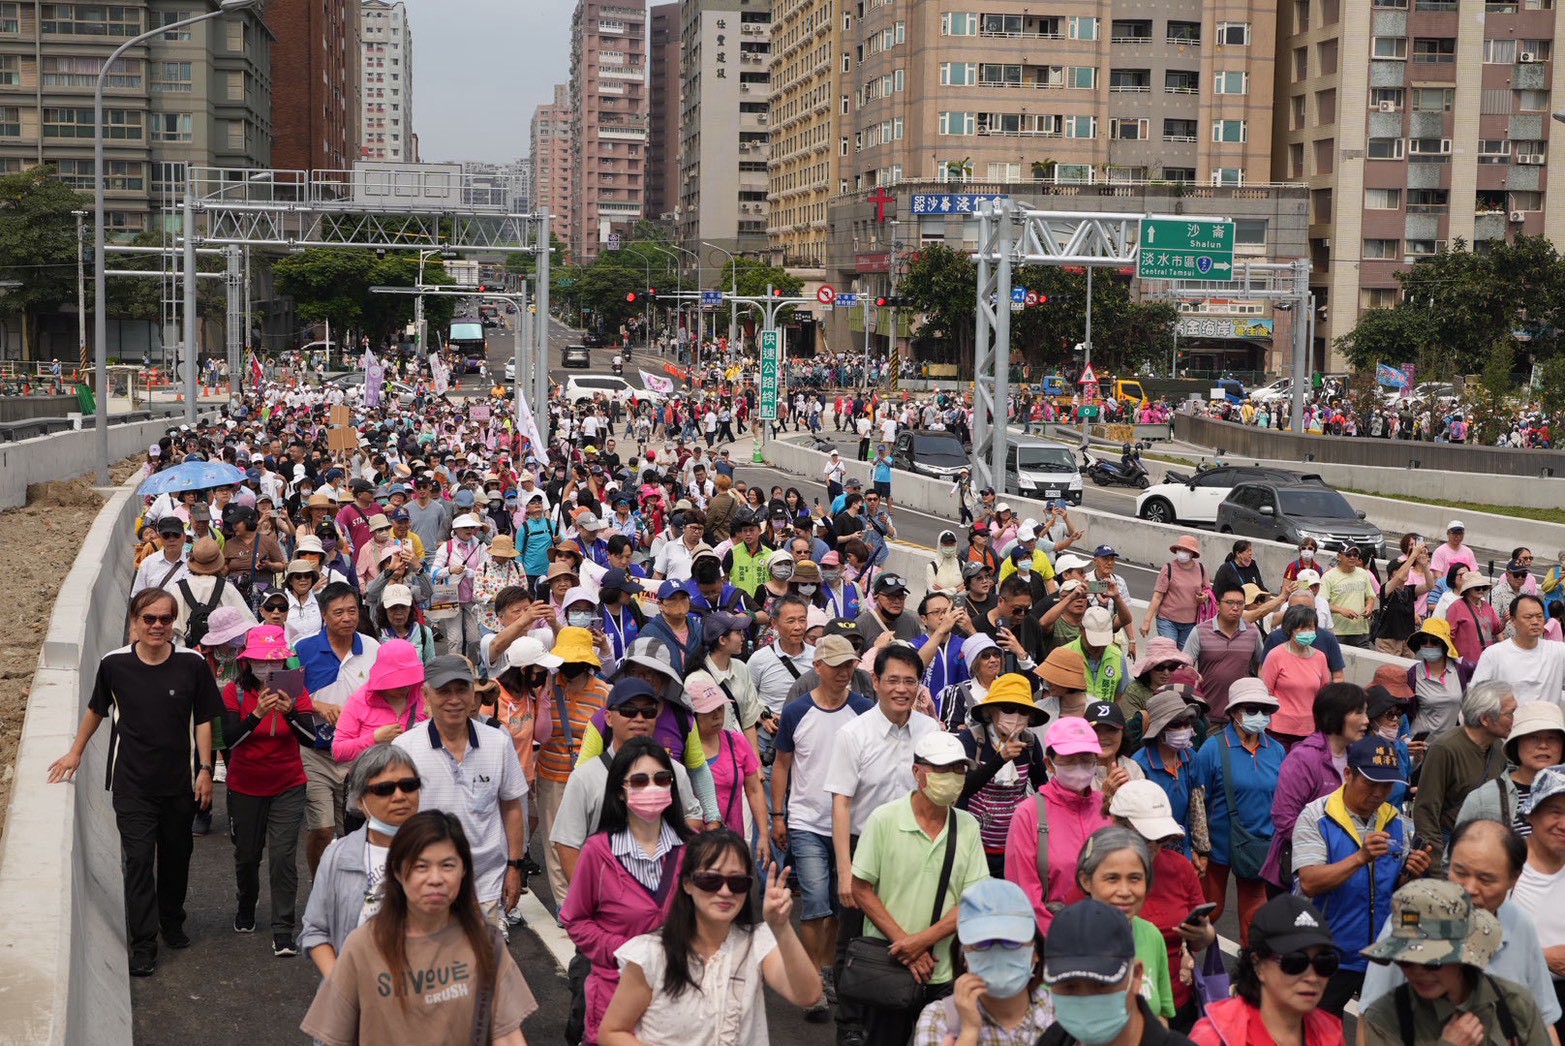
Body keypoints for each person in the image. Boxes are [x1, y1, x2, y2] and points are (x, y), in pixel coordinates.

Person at [46, 587, 224, 976]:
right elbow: (97, 709)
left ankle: (172, 920)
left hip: (180, 783)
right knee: (140, 862)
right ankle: (143, 944)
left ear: (173, 622)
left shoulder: (192, 664)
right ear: (134, 621)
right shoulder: (115, 665)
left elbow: (205, 720)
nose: (157, 626)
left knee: (177, 858)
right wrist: (75, 752)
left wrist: (206, 770)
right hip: (132, 784)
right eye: (149, 619)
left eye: (164, 619)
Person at [299, 811, 538, 1045]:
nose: (435, 878)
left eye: (447, 865)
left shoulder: (485, 943)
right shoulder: (363, 947)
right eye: (421, 867)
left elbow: (505, 1033)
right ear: (398, 872)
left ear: (464, 872)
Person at [598, 830, 822, 1046]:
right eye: (710, 880)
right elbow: (612, 1032)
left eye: (737, 883)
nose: (725, 892)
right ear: (687, 883)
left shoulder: (756, 942)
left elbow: (809, 995)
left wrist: (781, 927)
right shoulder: (651, 953)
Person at [849, 731, 991, 1045]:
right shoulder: (884, 820)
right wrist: (906, 944)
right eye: (942, 768)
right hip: (887, 963)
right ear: (918, 772)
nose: (952, 777)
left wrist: (922, 941)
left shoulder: (967, 826)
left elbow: (974, 900)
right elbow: (860, 888)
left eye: (959, 770)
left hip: (943, 970)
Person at [1360, 818, 1564, 1035]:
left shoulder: (1519, 925)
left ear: (1514, 879)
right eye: (1460, 872)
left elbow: (1543, 1017)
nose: (1469, 888)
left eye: (1486, 879)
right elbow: (1370, 1019)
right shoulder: (1408, 921)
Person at [560, 737, 694, 1045]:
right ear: (621, 792)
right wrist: (624, 950)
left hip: (677, 999)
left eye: (662, 779)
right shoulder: (598, 852)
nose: (652, 788)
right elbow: (575, 920)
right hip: (614, 997)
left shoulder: (692, 849)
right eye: (639, 780)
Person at [1292, 735, 1433, 1011]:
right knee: (1316, 1034)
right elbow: (1309, 882)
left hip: (1381, 955)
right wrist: (1360, 858)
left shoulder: (1396, 821)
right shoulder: (1316, 817)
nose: (1379, 794)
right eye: (1371, 783)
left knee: (1379, 1034)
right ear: (1348, 774)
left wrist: (1412, 874)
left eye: (1387, 785)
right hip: (1327, 956)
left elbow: (1395, 888)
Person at [392, 655, 527, 928]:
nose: (454, 699)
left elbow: (511, 807)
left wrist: (514, 866)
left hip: (486, 881)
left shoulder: (497, 742)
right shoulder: (404, 748)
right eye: (444, 691)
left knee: (483, 963)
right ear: (426, 695)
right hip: (427, 882)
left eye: (462, 689)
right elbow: (394, 819)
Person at [221, 624, 318, 956]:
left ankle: (283, 927)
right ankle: (246, 902)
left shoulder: (297, 692)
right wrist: (257, 715)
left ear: (284, 663)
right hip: (245, 785)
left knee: (282, 858)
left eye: (274, 662)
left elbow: (311, 739)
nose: (267, 669)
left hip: (288, 784)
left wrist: (289, 713)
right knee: (247, 856)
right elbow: (229, 740)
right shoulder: (234, 693)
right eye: (260, 662)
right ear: (248, 663)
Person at [1358, 879, 1550, 1046]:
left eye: (1432, 963)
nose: (1417, 972)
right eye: (1405, 962)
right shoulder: (1386, 1018)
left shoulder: (1515, 1005)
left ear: (1462, 953)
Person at [301, 743, 423, 976]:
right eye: (384, 789)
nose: (399, 796)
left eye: (409, 785)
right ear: (360, 800)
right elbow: (315, 929)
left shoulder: (441, 850)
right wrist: (339, 982)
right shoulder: (338, 856)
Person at [1189, 677, 1286, 946]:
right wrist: (1197, 847)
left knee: (1254, 918)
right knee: (1209, 912)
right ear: (1233, 712)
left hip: (1258, 848)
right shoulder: (1212, 748)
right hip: (1218, 850)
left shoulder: (1276, 750)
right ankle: (1184, 966)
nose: (1259, 716)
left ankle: (1247, 978)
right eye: (1251, 709)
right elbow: (1196, 800)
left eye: (1264, 710)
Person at [295, 582, 381, 874]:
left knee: (355, 833)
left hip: (359, 755)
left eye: (352, 611)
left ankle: (352, 891)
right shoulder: (304, 648)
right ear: (324, 615)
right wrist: (318, 706)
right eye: (338, 612)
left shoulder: (372, 648)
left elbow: (383, 695)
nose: (347, 618)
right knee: (321, 829)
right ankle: (321, 886)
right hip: (315, 753)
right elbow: (288, 694)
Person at [910, 878, 1057, 1045]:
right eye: (982, 943)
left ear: (1036, 951)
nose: (998, 953)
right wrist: (969, 1031)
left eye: (1011, 941)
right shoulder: (940, 1018)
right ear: (963, 955)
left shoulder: (1060, 1011)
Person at [1189, 893, 1346, 1046]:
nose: (1312, 977)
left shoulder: (1330, 1033)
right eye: (1295, 962)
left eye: (1324, 962)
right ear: (1257, 963)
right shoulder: (1215, 1038)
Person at [1038, 898, 1198, 1046]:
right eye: (1069, 987)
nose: (1086, 1001)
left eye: (1101, 984)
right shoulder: (1053, 1039)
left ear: (1136, 976)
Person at [1005, 717, 1113, 932]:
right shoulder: (1029, 814)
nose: (1079, 767)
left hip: (1107, 932)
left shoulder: (1107, 806)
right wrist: (1056, 940)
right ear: (1049, 764)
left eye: (1086, 759)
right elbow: (1024, 892)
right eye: (1068, 760)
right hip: (1052, 936)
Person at [1071, 826, 1177, 1024]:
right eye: (1112, 878)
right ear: (1086, 881)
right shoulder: (1066, 942)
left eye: (1135, 878)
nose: (1125, 891)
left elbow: (1161, 1015)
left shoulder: (1151, 935)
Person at [1412, 681, 1514, 873]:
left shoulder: (1499, 750)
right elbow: (1426, 812)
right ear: (1485, 718)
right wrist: (1438, 869)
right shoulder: (1445, 748)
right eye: (1509, 713)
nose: (1513, 719)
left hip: (1480, 851)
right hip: (1446, 850)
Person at [957, 673, 1050, 878]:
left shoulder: (1030, 743)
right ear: (992, 710)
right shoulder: (973, 739)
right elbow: (963, 788)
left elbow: (1041, 786)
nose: (1015, 716)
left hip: (1016, 844)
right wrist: (1000, 759)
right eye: (1008, 709)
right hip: (974, 844)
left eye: (1023, 711)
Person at [1509, 764, 1565, 1033]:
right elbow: (1470, 938)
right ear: (1531, 812)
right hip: (1513, 998)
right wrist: (1540, 957)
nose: (1563, 824)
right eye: (1555, 812)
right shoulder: (1503, 865)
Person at [1457, 702, 1565, 837]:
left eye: (1552, 738)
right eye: (1533, 737)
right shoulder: (1484, 799)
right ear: (1516, 743)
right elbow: (1457, 854)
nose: (1543, 745)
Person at [687, 674, 767, 845]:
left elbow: (754, 789)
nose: (717, 716)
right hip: (694, 843)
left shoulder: (736, 741)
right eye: (709, 711)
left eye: (720, 708)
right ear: (693, 715)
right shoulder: (684, 748)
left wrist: (764, 835)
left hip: (732, 840)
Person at [329, 638, 428, 762]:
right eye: (396, 679)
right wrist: (374, 739)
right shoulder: (360, 700)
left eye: (408, 678)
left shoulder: (425, 696)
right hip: (372, 777)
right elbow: (338, 751)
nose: (403, 686)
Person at [1131, 692, 1200, 858]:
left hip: (1184, 849)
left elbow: (1196, 809)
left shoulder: (1190, 757)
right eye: (1176, 724)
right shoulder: (1140, 764)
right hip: (1151, 850)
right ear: (1160, 730)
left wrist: (1198, 850)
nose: (1183, 730)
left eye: (1187, 723)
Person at [1260, 605, 1335, 743]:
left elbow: (1325, 693)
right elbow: (1265, 692)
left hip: (1310, 730)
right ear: (1290, 629)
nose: (1307, 632)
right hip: (1278, 730)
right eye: (1302, 628)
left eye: (1311, 627)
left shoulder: (1320, 657)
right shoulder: (1275, 655)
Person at [1472, 593, 1565, 704]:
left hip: (1548, 719)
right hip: (1511, 720)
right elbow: (1476, 698)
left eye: (1540, 616)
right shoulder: (1493, 654)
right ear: (1513, 620)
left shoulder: (1558, 651)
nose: (1535, 622)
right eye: (1528, 617)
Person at [1405, 618, 1471, 738]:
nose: (1428, 645)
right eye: (1423, 641)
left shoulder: (1461, 670)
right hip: (1422, 745)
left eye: (1434, 641)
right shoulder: (1413, 674)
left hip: (1450, 744)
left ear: (1444, 644)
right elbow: (1404, 712)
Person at [1142, 536, 1208, 647]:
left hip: (1190, 623)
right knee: (1169, 652)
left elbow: (1207, 590)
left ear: (1192, 553)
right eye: (1180, 549)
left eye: (1186, 550)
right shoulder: (1168, 568)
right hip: (1167, 620)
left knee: (1184, 658)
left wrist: (1204, 596)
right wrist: (1147, 621)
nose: (1182, 553)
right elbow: (1157, 596)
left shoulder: (1201, 569)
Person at [1320, 544, 1377, 649]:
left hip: (1361, 631)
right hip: (1337, 632)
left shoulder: (1363, 574)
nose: (1352, 557)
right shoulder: (1328, 576)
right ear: (1339, 556)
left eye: (1355, 555)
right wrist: (1341, 610)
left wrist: (1369, 607)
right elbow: (1321, 603)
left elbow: (1370, 597)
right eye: (1348, 554)